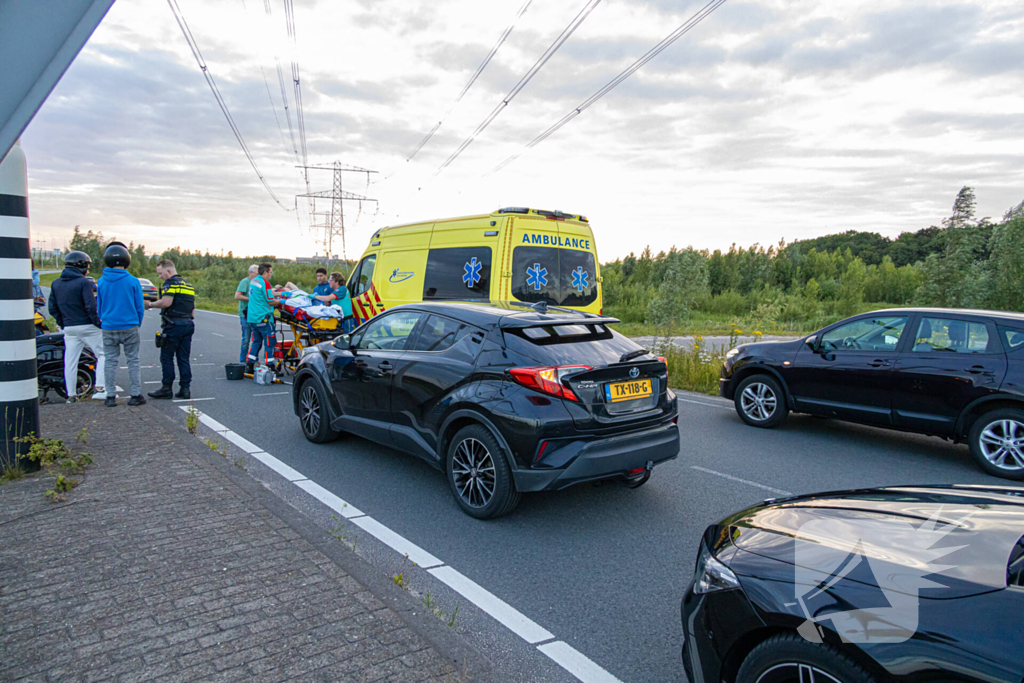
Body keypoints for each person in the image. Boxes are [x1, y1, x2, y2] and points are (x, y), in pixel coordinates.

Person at [48, 251, 106, 402]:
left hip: (69, 327)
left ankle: (71, 395)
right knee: (103, 354)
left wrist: (63, 323)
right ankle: (100, 387)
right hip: (87, 326)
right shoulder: (84, 283)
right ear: (81, 266)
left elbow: (52, 308)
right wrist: (98, 324)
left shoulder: (56, 284)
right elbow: (90, 307)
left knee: (70, 361)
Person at [96, 242, 146, 407]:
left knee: (110, 360)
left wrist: (105, 320)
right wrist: (136, 322)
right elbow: (140, 306)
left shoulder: (101, 282)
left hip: (109, 326)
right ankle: (135, 395)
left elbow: (99, 306)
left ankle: (110, 396)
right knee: (133, 360)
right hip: (130, 325)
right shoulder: (133, 281)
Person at [146, 260, 195, 399]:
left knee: (167, 357)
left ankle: (166, 388)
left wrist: (149, 304)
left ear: (168, 271)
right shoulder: (188, 285)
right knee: (183, 358)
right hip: (188, 323)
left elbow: (166, 302)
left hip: (174, 324)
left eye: (160, 273)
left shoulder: (170, 283)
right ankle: (185, 389)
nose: (160, 276)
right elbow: (192, 308)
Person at [245, 263, 278, 373]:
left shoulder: (253, 281)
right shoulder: (265, 283)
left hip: (252, 318)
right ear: (265, 272)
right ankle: (271, 366)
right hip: (263, 319)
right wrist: (283, 301)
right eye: (270, 272)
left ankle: (250, 364)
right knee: (269, 342)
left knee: (256, 342)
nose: (271, 275)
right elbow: (270, 301)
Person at [234, 264, 258, 363]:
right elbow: (237, 296)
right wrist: (251, 300)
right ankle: (243, 361)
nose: (258, 275)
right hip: (246, 314)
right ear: (250, 273)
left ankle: (253, 360)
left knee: (257, 340)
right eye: (256, 273)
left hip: (256, 315)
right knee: (246, 340)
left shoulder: (258, 283)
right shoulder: (245, 282)